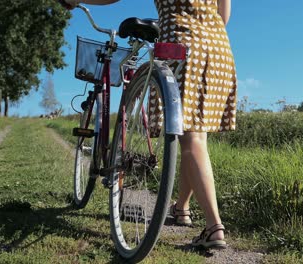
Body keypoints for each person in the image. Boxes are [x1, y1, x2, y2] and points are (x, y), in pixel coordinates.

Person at [61, 0, 237, 250]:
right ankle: (182, 208)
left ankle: (214, 227)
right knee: (197, 136)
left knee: (191, 139)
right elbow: (224, 15)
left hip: (182, 42)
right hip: (218, 46)